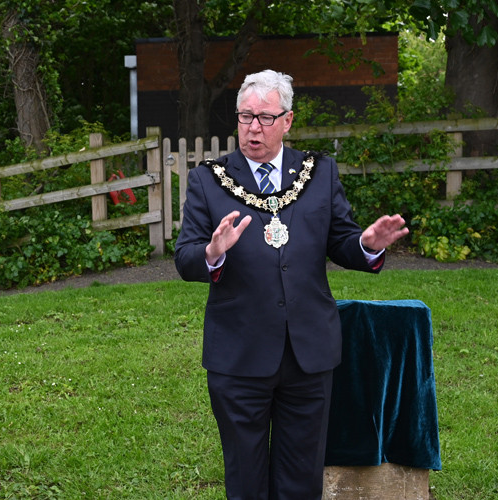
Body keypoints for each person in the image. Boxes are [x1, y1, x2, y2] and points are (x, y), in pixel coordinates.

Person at [173, 69, 409, 499]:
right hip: (239, 353)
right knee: (245, 476)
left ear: (288, 121)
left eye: (265, 118)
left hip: (309, 352)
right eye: (245, 117)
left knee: (301, 475)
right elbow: (185, 258)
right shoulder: (208, 180)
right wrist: (212, 252)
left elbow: (341, 241)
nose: (253, 128)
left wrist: (366, 244)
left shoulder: (319, 173)